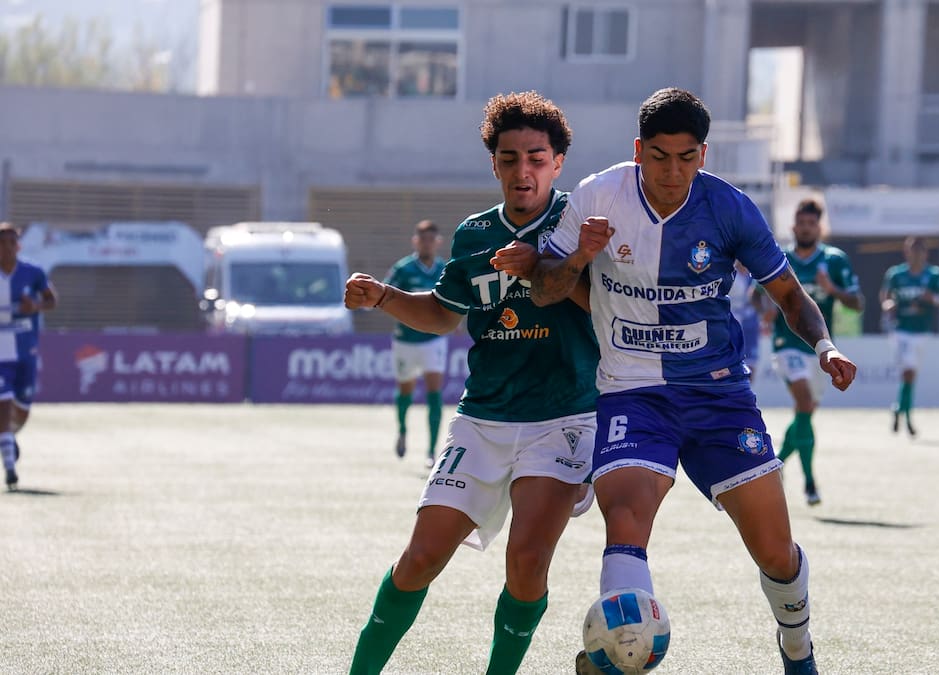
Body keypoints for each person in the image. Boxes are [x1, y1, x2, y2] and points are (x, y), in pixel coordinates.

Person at [531, 87, 856, 675]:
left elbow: (788, 295)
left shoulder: (729, 208)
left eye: (685, 158)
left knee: (776, 554)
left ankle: (797, 647)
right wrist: (579, 256)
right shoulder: (598, 196)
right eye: (658, 156)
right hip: (631, 391)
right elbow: (544, 287)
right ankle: (619, 652)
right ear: (638, 150)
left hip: (719, 395)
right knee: (626, 516)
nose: (671, 171)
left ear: (702, 156)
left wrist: (826, 345)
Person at [342, 91, 600, 674]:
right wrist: (383, 297)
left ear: (558, 162)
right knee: (420, 557)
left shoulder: (580, 225)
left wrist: (544, 266)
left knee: (527, 561)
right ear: (495, 164)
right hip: (483, 419)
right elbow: (441, 312)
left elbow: (605, 309)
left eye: (536, 157)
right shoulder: (473, 235)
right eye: (509, 159)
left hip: (563, 417)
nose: (523, 170)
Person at [764, 199, 862, 506]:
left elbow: (857, 303)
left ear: (819, 227)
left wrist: (831, 289)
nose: (806, 228)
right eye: (801, 223)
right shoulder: (780, 258)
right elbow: (760, 295)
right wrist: (765, 310)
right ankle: (809, 484)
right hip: (786, 343)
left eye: (811, 223)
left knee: (805, 413)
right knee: (803, 401)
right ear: (793, 226)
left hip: (819, 347)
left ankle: (777, 463)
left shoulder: (834, 260)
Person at [383, 219, 448, 465]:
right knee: (405, 391)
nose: (428, 244)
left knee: (434, 392)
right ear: (416, 241)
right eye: (423, 239)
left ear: (438, 242)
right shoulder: (404, 269)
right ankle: (402, 430)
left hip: (433, 340)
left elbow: (450, 302)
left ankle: (431, 451)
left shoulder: (444, 269)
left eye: (432, 239)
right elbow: (387, 296)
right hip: (406, 340)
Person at [0, 222, 56, 490]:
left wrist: (34, 306)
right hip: (0, 352)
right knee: (3, 402)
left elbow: (52, 300)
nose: (6, 248)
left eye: (11, 242)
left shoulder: (32, 272)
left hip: (25, 349)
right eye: (1, 243)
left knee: (20, 411)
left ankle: (8, 437)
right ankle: (9, 466)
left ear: (18, 246)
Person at [881, 236, 939, 438]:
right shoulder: (896, 274)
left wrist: (932, 299)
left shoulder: (934, 275)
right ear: (906, 252)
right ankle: (908, 418)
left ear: (925, 253)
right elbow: (885, 296)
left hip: (922, 331)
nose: (916, 254)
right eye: (912, 250)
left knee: (910, 376)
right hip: (900, 330)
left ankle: (899, 409)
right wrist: (888, 306)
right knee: (908, 373)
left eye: (920, 250)